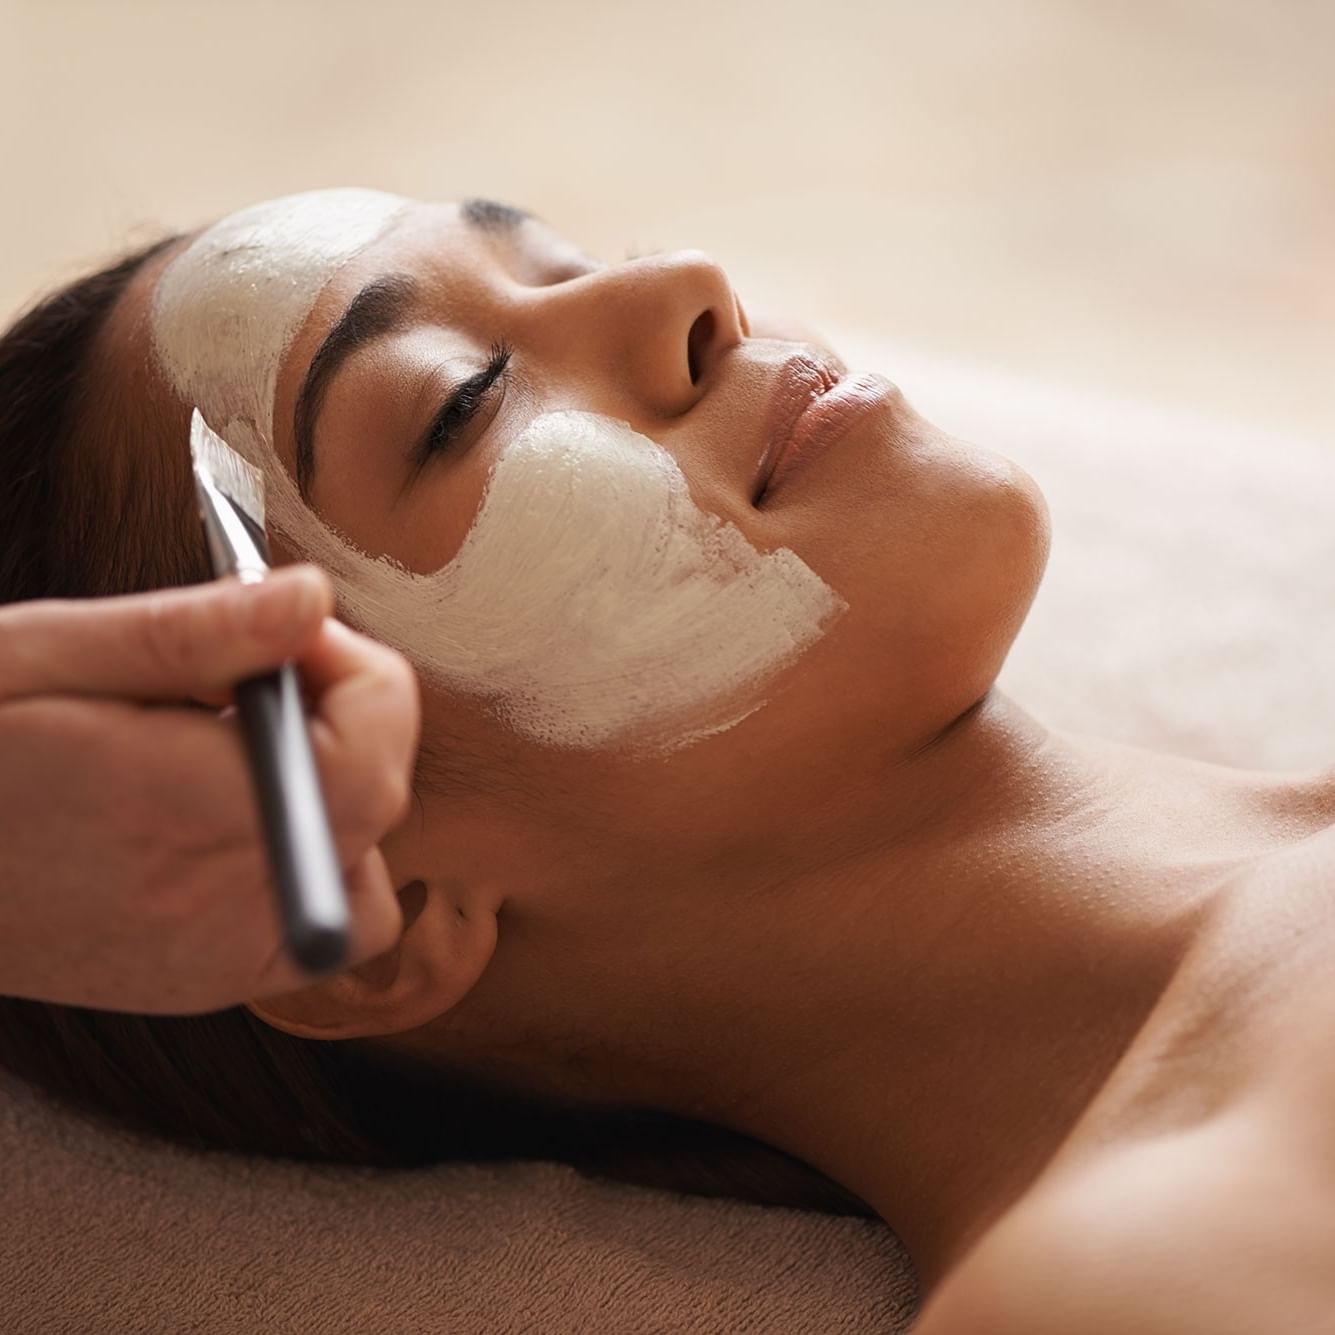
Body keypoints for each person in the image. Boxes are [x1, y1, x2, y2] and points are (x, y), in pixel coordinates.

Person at [1, 189, 1332, 1333]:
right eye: (457, 406)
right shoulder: (1157, 1274)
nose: (687, 286)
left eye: (563, 258)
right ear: (372, 908)